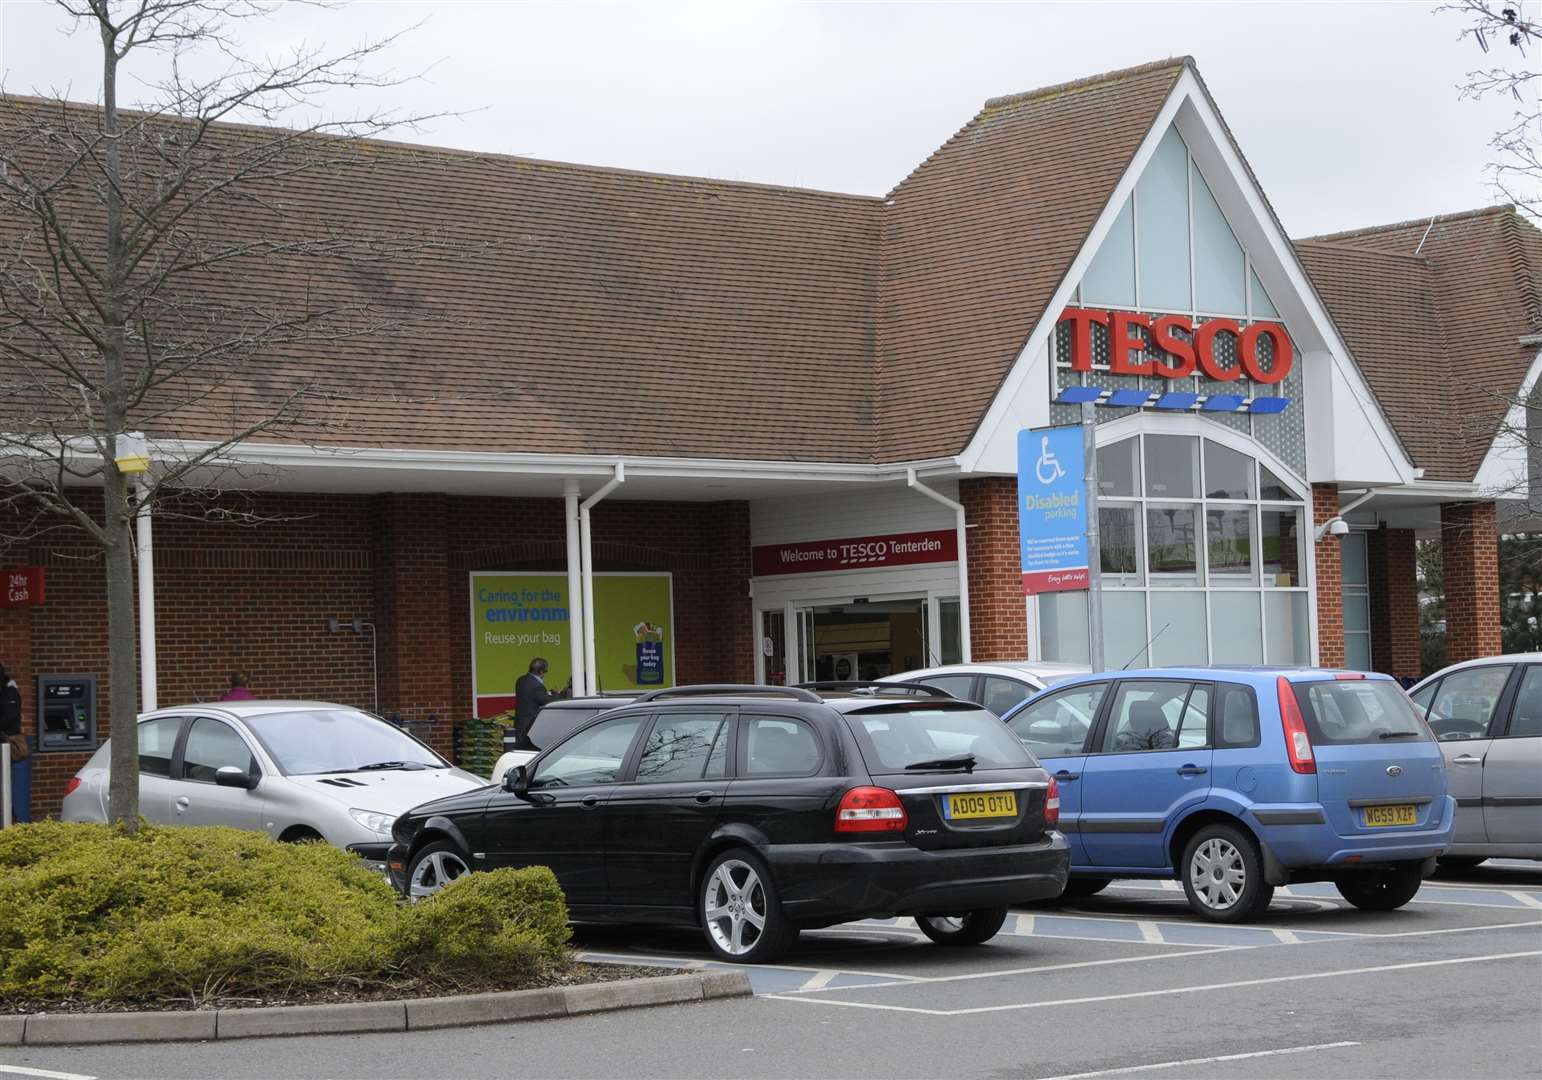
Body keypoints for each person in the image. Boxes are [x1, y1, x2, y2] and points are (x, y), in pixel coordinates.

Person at [1, 662, 29, 823]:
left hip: (6, 746)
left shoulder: (10, 692)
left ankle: (10, 822)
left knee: (4, 787)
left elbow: (10, 719)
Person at [513, 658, 558, 751]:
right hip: (530, 726)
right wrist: (556, 694)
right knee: (531, 752)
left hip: (520, 723)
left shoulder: (521, 680)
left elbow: (530, 696)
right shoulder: (537, 685)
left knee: (520, 751)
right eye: (545, 671)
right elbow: (547, 702)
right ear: (541, 671)